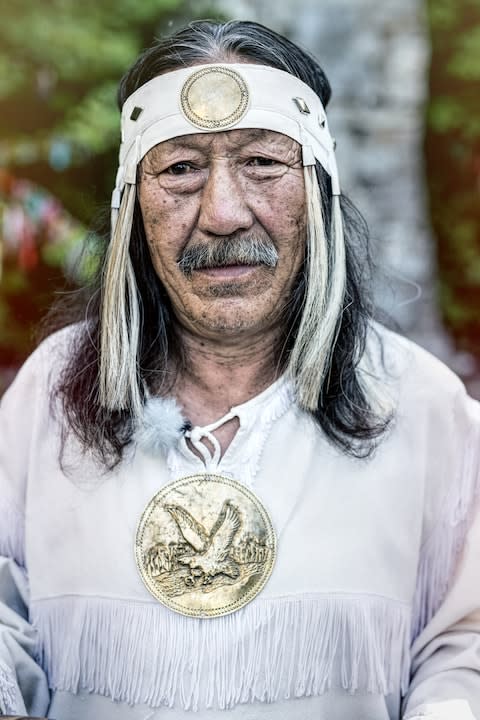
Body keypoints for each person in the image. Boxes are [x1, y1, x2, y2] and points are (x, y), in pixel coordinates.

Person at [0, 19, 479, 720]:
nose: (223, 214)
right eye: (181, 169)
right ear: (133, 204)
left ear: (316, 190)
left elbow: (462, 644)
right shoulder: (48, 398)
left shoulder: (423, 407)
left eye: (261, 162)